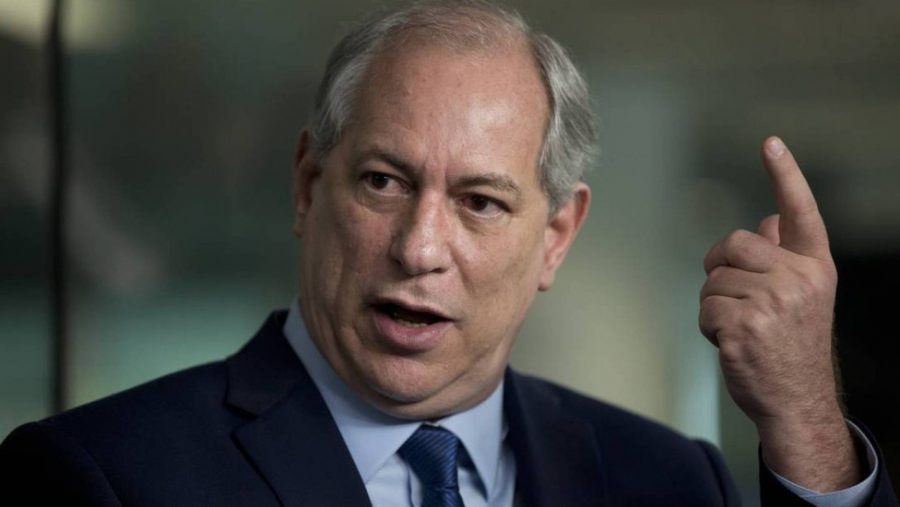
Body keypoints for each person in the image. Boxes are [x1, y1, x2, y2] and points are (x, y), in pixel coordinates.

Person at [0, 1, 896, 505]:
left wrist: (803, 417)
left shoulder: (668, 481)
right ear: (308, 186)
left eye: (479, 202)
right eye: (384, 181)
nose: (420, 246)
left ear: (556, 237)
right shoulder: (101, 475)